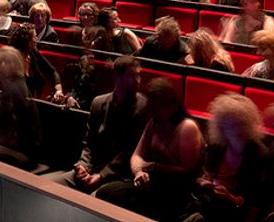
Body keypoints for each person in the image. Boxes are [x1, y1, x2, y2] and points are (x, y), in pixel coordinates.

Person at [94, 78, 203, 218]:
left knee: (134, 205)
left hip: (174, 191)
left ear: (170, 105)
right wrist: (139, 172)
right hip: (151, 184)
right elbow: (137, 155)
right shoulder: (154, 123)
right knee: (106, 192)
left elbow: (188, 171)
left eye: (156, 107)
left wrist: (155, 166)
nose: (153, 112)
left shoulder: (187, 127)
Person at [58, 55, 146, 192]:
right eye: (132, 76)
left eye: (138, 75)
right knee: (47, 187)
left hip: (117, 177)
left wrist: (101, 176)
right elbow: (89, 142)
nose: (138, 81)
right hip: (92, 169)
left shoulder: (142, 107)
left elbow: (129, 152)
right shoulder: (99, 103)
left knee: (91, 202)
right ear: (117, 76)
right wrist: (83, 165)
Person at [194, 94, 268, 222]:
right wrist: (204, 183)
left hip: (236, 214)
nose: (237, 130)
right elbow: (201, 177)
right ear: (221, 127)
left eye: (241, 124)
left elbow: (256, 204)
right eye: (231, 125)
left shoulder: (259, 155)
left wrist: (231, 198)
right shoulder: (215, 146)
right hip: (208, 207)